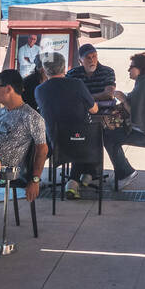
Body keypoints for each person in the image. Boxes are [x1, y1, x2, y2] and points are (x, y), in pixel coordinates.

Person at [34, 52, 98, 199]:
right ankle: (79, 179)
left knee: (74, 138)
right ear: (64, 68)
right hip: (79, 142)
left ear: (44, 69)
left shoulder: (39, 90)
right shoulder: (77, 84)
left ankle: (81, 178)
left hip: (54, 142)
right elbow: (94, 109)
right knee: (91, 137)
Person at [104, 52, 145, 188]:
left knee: (109, 137)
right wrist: (126, 97)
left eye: (131, 67)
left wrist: (123, 99)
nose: (129, 69)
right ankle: (124, 170)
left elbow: (137, 116)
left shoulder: (144, 86)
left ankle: (126, 173)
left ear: (140, 69)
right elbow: (138, 102)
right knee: (111, 133)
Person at [0, 69, 48, 204]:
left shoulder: (31, 117)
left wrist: (35, 180)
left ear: (9, 89)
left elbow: (42, 149)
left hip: (5, 172)